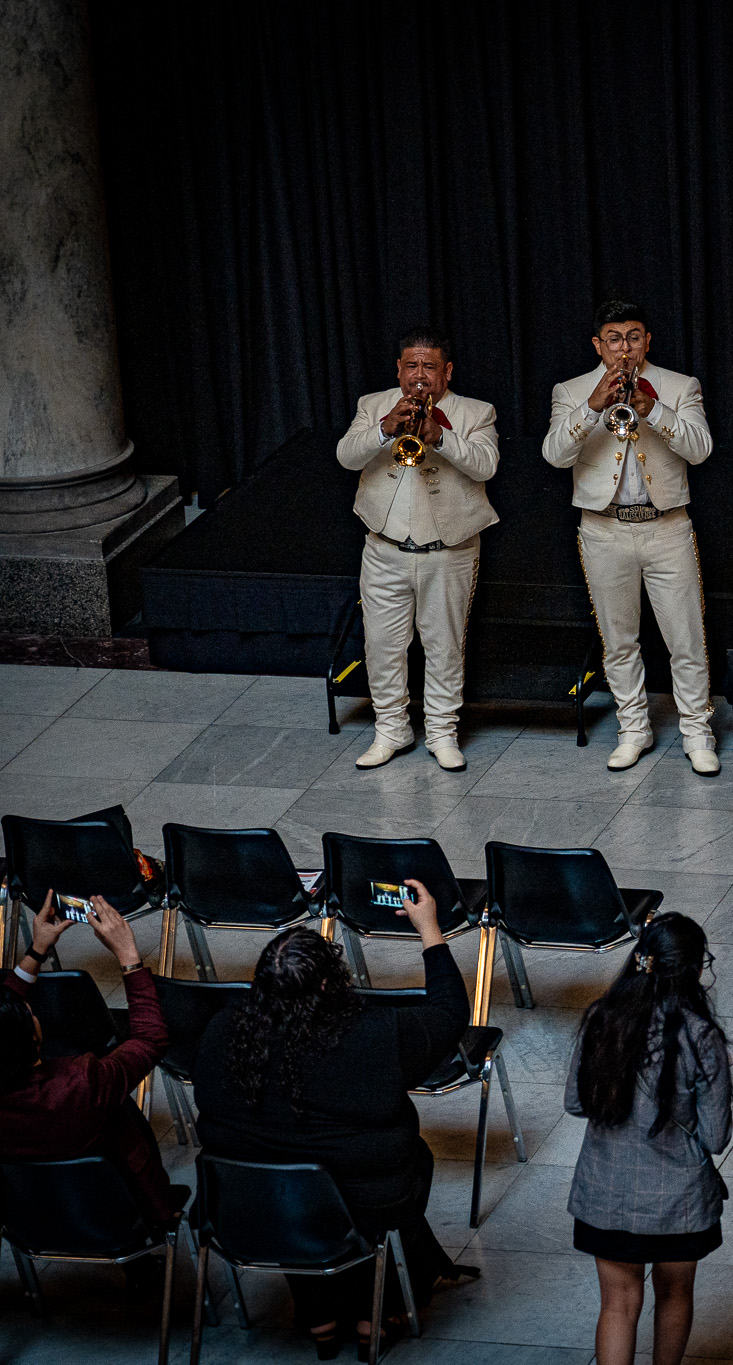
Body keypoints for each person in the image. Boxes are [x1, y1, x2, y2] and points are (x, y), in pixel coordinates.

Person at [193, 883, 472, 1359]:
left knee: (289, 1184)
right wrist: (429, 929)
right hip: (363, 1201)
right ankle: (374, 1312)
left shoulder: (224, 1031)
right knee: (395, 1177)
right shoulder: (375, 1035)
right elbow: (449, 1014)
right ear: (328, 985)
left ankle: (319, 1314)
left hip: (249, 1201)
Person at [542, 300, 720, 774]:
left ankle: (697, 731)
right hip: (603, 529)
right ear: (598, 345)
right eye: (615, 339)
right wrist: (592, 407)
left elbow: (701, 450)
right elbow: (555, 455)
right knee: (619, 640)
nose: (625, 348)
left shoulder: (680, 386)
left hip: (667, 527)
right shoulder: (570, 391)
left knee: (686, 638)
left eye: (634, 337)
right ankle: (633, 728)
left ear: (647, 341)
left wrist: (653, 409)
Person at [565, 914, 733, 1365]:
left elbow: (576, 1104)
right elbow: (716, 1136)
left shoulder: (601, 1020)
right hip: (678, 1204)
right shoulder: (700, 1037)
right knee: (674, 1296)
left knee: (617, 1305)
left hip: (606, 1195)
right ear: (693, 970)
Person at [336, 327, 500, 773]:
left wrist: (439, 436)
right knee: (382, 646)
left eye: (429, 366)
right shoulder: (373, 405)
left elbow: (486, 465)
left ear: (447, 371)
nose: (419, 375)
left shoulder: (476, 412)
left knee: (444, 646)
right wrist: (384, 430)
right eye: (411, 365)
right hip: (384, 548)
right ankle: (391, 730)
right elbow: (346, 457)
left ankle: (442, 732)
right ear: (398, 369)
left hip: (448, 552)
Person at [0, 892, 180, 1231]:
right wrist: (128, 955)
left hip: (32, 1221)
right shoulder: (81, 1082)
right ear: (33, 1037)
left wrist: (37, 950)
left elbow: (5, 1008)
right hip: (122, 1216)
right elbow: (150, 1039)